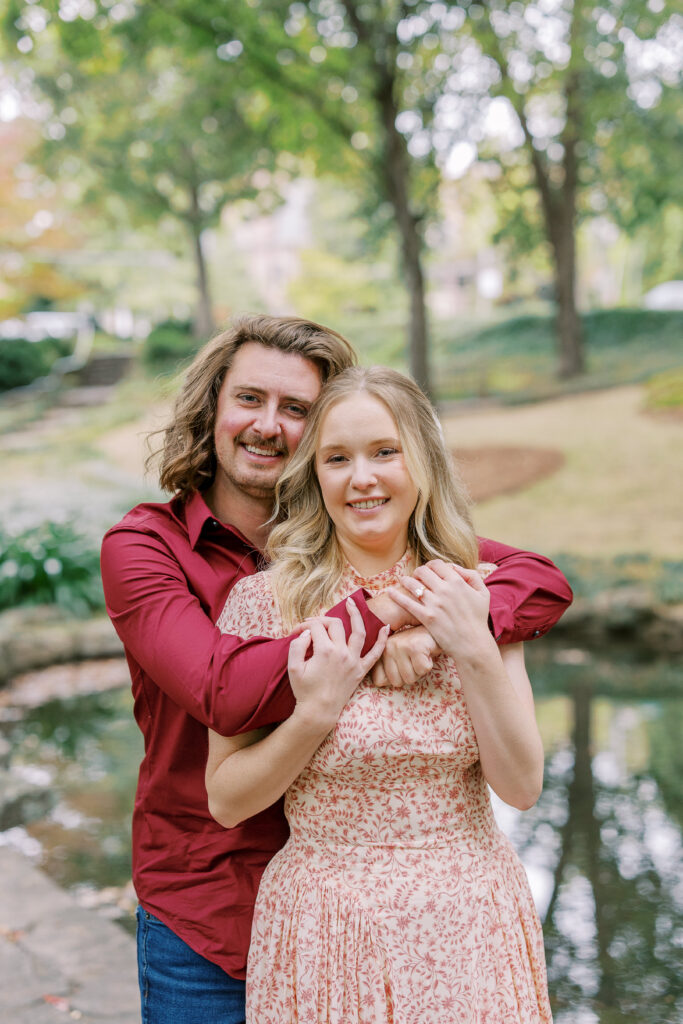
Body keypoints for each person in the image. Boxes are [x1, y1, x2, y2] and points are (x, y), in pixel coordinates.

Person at [100, 315, 570, 1024]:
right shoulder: (152, 552)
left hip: (458, 923)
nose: (268, 425)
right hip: (213, 900)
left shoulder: (440, 579)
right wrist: (387, 619)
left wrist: (448, 630)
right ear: (211, 408)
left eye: (295, 409)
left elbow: (537, 579)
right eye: (249, 398)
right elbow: (221, 689)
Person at [206, 365, 552, 1023]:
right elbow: (226, 800)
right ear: (314, 475)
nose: (361, 478)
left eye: (385, 452)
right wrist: (314, 713)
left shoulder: (476, 591)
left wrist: (473, 647)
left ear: (423, 462)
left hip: (469, 923)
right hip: (326, 922)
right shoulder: (262, 605)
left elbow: (521, 787)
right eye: (337, 458)